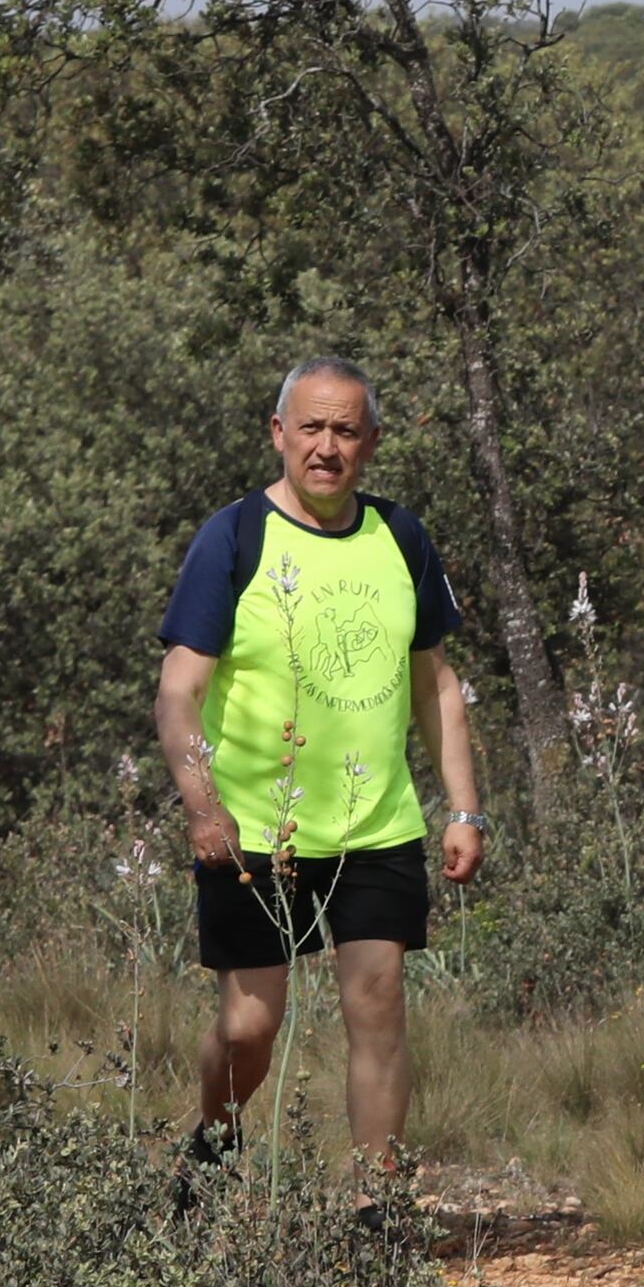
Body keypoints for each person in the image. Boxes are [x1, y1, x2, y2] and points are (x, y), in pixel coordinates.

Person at [158, 360, 485, 1194]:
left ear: (371, 442)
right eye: (311, 427)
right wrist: (202, 805)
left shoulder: (401, 537)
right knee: (246, 1028)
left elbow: (436, 684)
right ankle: (212, 1147)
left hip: (375, 828)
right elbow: (179, 692)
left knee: (378, 1010)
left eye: (345, 430)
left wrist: (465, 809)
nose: (327, 447)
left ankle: (379, 1212)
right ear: (279, 433)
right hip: (254, 832)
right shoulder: (233, 537)